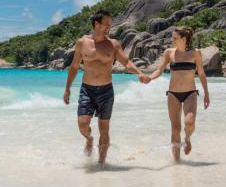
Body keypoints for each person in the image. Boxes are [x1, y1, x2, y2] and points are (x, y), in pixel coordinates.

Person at [63, 10, 149, 164]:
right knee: (83, 125)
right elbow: (74, 67)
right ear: (96, 24)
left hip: (106, 91)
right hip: (87, 90)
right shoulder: (82, 43)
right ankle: (89, 139)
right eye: (106, 24)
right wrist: (67, 89)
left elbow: (126, 62)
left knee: (104, 128)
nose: (109, 27)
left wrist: (139, 73)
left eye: (110, 24)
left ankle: (101, 164)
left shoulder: (113, 44)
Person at [147, 27, 210, 161]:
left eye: (174, 37)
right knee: (175, 128)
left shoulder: (195, 53)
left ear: (183, 39)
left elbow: (202, 75)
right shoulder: (169, 53)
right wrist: (149, 78)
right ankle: (177, 161)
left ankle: (187, 139)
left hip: (190, 93)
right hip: (173, 94)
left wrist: (207, 94)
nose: (172, 40)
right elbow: (159, 70)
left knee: (189, 122)